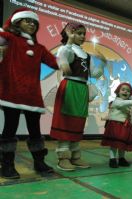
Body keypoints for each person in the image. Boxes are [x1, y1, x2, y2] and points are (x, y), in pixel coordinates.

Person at [0, 8, 58, 179]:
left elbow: (55, 63)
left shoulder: (39, 48)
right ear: (17, 23)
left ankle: (39, 162)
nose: (32, 24)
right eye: (27, 21)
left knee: (35, 130)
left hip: (32, 95)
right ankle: (7, 164)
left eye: (34, 22)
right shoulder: (9, 38)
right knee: (10, 128)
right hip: (12, 92)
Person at [50, 22, 104, 171]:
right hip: (70, 87)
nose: (81, 36)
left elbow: (94, 73)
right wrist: (68, 41)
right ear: (68, 33)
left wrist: (103, 63)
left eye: (83, 34)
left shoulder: (86, 55)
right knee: (66, 122)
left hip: (82, 89)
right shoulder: (65, 49)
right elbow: (63, 64)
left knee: (77, 122)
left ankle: (75, 156)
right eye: (78, 33)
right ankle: (63, 157)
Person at [101, 82, 132, 168]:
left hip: (124, 126)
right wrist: (131, 102)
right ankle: (112, 159)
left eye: (128, 91)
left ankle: (121, 159)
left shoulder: (128, 105)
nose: (125, 92)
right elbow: (121, 104)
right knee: (114, 144)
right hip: (115, 125)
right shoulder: (116, 101)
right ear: (118, 92)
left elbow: (130, 116)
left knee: (122, 144)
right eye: (123, 90)